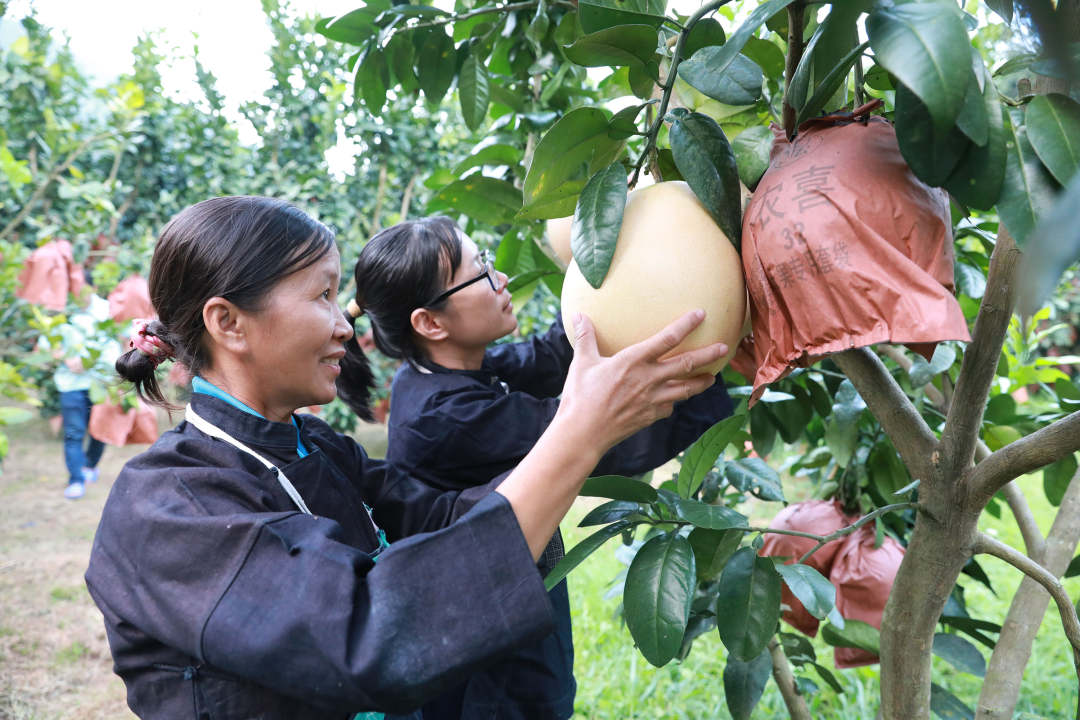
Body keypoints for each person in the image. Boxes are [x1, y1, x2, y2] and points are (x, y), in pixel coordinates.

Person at [84, 196, 727, 720]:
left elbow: (445, 516)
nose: (344, 325)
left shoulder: (319, 449)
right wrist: (578, 432)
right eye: (322, 296)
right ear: (228, 324)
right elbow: (372, 638)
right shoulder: (168, 509)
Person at [336, 216, 734, 720]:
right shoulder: (444, 417)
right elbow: (600, 433)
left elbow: (552, 355)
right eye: (479, 274)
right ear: (430, 323)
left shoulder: (455, 372)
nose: (500, 280)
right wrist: (720, 358)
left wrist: (603, 256)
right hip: (487, 656)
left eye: (486, 263)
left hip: (509, 608)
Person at [39, 290, 117, 499]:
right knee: (73, 433)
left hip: (100, 382)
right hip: (70, 384)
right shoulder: (62, 312)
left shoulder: (107, 309)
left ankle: (89, 465)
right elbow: (46, 346)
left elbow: (118, 339)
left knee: (100, 431)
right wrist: (66, 358)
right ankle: (76, 479)